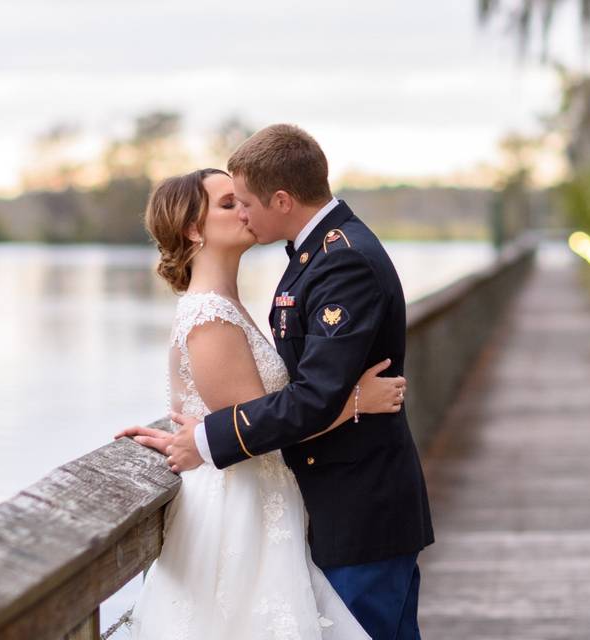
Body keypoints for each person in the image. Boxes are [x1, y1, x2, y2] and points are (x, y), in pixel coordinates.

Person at [160, 124, 434, 639]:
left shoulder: (341, 260)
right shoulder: (309, 259)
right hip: (329, 510)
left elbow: (309, 397)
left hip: (361, 510)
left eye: (243, 201)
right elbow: (306, 391)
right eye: (229, 204)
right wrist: (354, 399)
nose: (242, 212)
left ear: (281, 199)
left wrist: (205, 439)